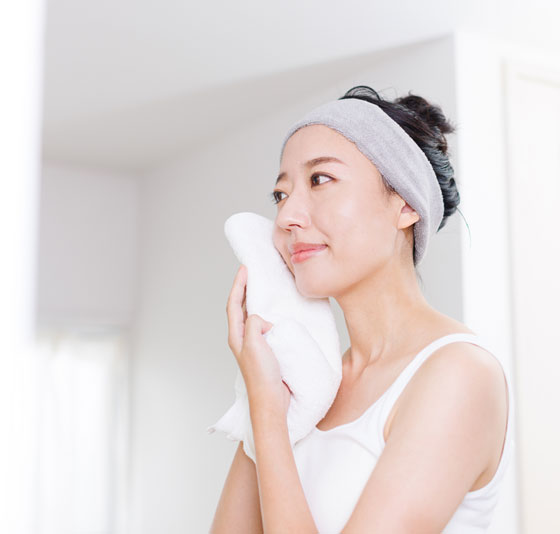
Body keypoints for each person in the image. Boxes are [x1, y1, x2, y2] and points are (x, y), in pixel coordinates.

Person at [211, 85, 514, 534]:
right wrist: (260, 399)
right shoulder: (302, 382)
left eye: (320, 180)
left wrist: (269, 419)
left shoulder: (461, 374)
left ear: (405, 205)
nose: (286, 217)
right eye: (280, 194)